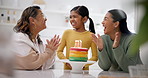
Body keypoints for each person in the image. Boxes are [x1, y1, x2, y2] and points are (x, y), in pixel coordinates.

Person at [11, 6, 60, 70]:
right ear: (32, 20)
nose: (46, 19)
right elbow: (30, 63)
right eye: (42, 15)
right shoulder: (19, 38)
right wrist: (48, 53)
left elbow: (45, 65)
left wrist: (52, 50)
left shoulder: (38, 41)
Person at [57, 5, 98, 70]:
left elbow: (95, 56)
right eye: (70, 17)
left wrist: (83, 66)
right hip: (67, 72)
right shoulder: (67, 33)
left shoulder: (91, 36)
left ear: (84, 19)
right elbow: (59, 51)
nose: (72, 20)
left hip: (84, 73)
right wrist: (67, 62)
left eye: (75, 17)